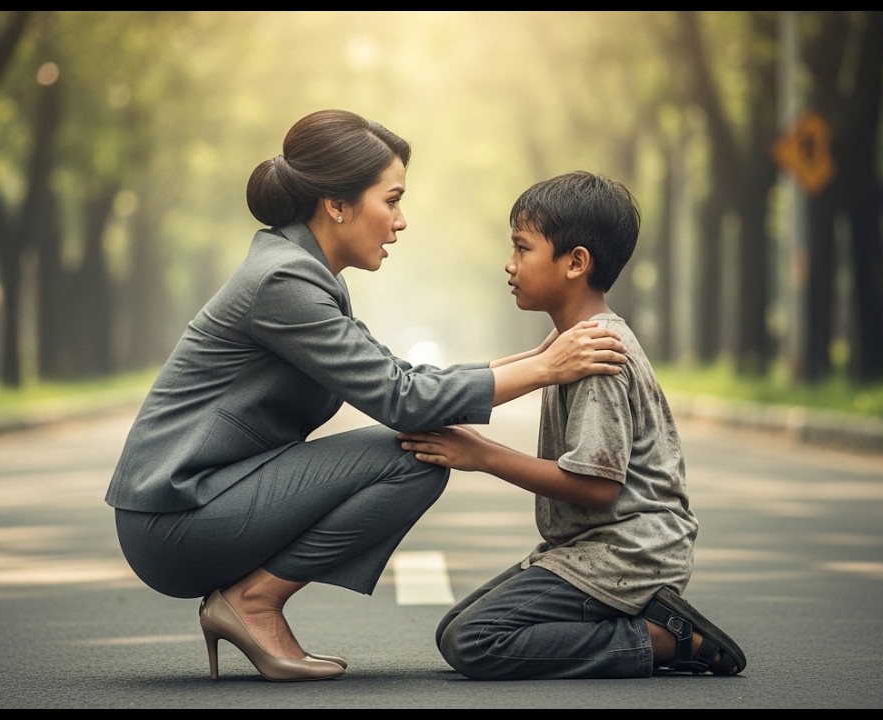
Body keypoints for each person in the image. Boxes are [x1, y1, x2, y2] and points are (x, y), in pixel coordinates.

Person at [104, 110, 629, 683]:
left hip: (200, 501)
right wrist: (545, 369)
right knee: (411, 455)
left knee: (417, 443)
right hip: (176, 518)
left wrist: (538, 358)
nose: (400, 221)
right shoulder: (285, 283)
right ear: (337, 205)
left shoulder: (301, 272)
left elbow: (403, 377)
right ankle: (252, 603)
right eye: (392, 199)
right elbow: (404, 400)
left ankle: (251, 600)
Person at [397, 170, 747, 680]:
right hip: (589, 550)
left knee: (473, 640)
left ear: (575, 262)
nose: (509, 264)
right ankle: (645, 625)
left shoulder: (598, 356)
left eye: (522, 248)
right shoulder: (573, 340)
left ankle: (662, 640)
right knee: (456, 625)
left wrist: (482, 455)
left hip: (628, 553)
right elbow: (521, 366)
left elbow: (598, 487)